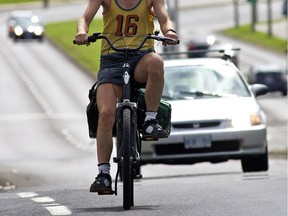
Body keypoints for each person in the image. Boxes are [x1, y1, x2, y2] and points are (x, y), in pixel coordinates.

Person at [74, 0, 178, 194]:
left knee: (156, 62)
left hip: (141, 57)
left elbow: (164, 18)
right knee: (105, 113)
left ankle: (150, 120)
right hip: (112, 60)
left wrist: (169, 32)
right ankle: (103, 174)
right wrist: (82, 32)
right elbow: (85, 17)